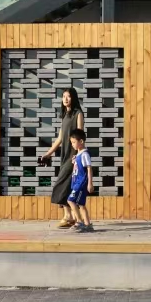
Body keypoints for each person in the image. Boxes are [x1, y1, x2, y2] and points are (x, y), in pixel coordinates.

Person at [41, 88, 84, 228]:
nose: (65, 99)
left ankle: (69, 216)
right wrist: (48, 153)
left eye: (68, 96)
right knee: (66, 185)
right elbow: (60, 138)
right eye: (63, 96)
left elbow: (80, 135)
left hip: (73, 156)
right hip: (64, 156)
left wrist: (78, 155)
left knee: (61, 184)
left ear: (73, 98)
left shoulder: (78, 114)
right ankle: (69, 216)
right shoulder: (64, 115)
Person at [66, 129, 94, 233]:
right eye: (71, 142)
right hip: (76, 182)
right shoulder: (79, 154)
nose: (72, 144)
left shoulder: (85, 154)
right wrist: (75, 161)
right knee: (81, 204)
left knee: (70, 200)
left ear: (81, 141)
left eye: (74, 142)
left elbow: (89, 168)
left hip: (81, 182)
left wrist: (90, 183)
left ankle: (79, 222)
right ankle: (88, 224)